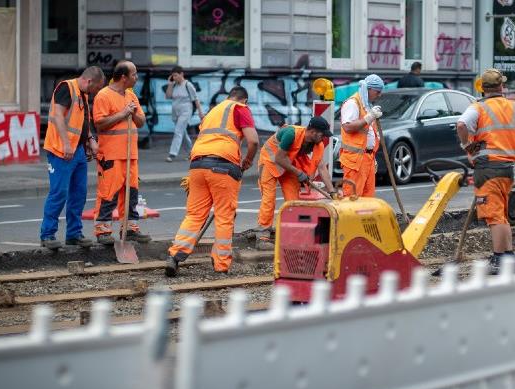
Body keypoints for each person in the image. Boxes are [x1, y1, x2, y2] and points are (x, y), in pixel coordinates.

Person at [165, 86, 259, 276]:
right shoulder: (240, 108)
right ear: (244, 100)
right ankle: (221, 265)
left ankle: (174, 256)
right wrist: (247, 160)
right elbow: (253, 141)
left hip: (198, 165)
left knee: (194, 215)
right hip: (223, 166)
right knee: (224, 217)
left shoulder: (212, 112)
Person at [456, 68, 515, 274]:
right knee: (501, 214)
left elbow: (461, 125)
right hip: (506, 168)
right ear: (501, 87)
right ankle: (508, 255)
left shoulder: (478, 108)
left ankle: (499, 259)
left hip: (487, 168)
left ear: (483, 88)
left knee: (494, 216)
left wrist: (467, 146)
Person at [39, 66, 106, 249]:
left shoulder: (83, 94)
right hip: (61, 150)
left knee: (79, 194)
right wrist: (66, 143)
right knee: (59, 192)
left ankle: (74, 234)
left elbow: (83, 123)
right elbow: (58, 116)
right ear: (89, 81)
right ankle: (47, 234)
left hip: (77, 152)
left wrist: (91, 140)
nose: (96, 93)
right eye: (96, 89)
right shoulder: (66, 88)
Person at [91, 60, 151, 245]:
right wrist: (122, 113)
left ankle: (130, 228)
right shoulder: (104, 96)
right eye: (134, 74)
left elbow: (141, 122)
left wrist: (132, 113)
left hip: (130, 154)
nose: (136, 77)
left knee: (131, 193)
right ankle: (103, 231)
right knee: (108, 193)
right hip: (111, 154)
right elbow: (99, 123)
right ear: (124, 77)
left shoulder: (131, 96)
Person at [254, 117, 338, 249]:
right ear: (314, 132)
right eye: (322, 135)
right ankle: (262, 236)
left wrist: (332, 191)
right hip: (269, 161)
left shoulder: (318, 144)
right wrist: (298, 173)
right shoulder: (290, 134)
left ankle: (292, 234)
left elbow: (321, 167)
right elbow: (279, 158)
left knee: (293, 201)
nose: (324, 138)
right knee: (269, 199)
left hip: (288, 164)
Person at [339, 74, 384, 197]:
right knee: (353, 199)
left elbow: (368, 133)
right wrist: (369, 118)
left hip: (367, 159)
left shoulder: (366, 105)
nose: (379, 95)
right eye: (377, 91)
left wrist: (372, 156)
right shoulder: (353, 103)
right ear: (368, 89)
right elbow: (347, 127)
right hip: (355, 161)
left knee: (367, 199)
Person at [165, 66, 206, 162]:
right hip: (175, 112)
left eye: (176, 75)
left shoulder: (188, 85)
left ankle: (172, 154)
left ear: (181, 74)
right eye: (173, 76)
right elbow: (168, 96)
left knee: (178, 131)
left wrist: (200, 112)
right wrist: (170, 84)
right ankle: (192, 153)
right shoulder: (174, 85)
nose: (174, 78)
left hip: (186, 111)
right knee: (182, 133)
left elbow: (196, 99)